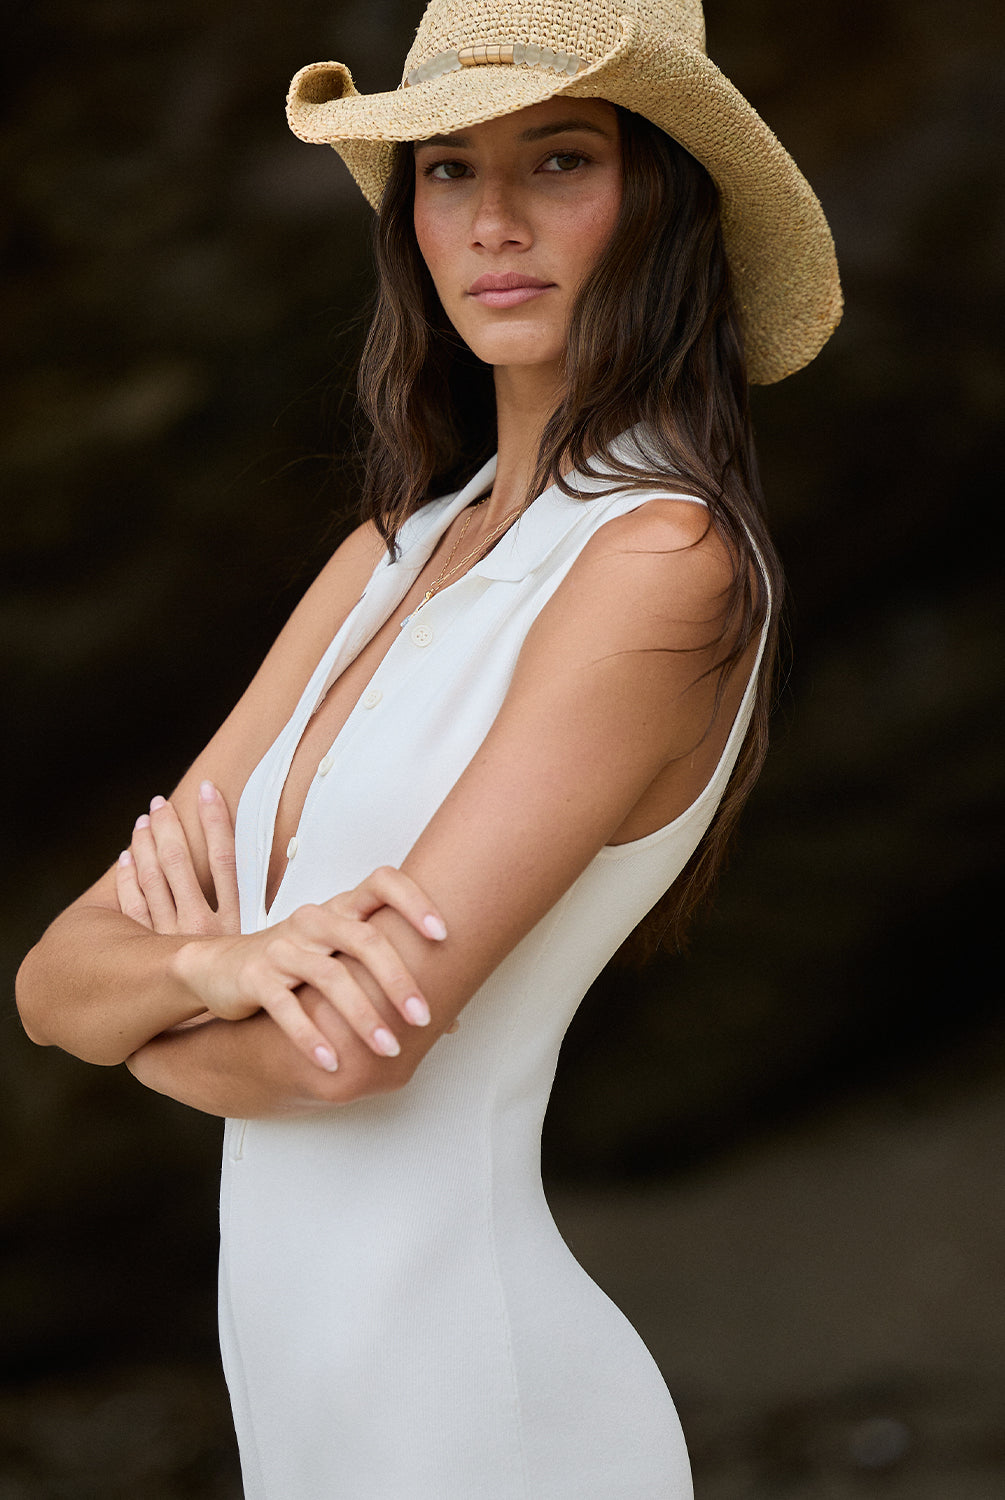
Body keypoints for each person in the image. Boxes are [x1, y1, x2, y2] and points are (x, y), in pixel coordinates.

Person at [16, 0, 840, 1494]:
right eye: (447, 170)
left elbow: (340, 1053)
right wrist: (209, 973)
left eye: (561, 159)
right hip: (307, 1406)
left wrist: (138, 1029)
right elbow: (46, 977)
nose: (493, 221)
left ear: (663, 202)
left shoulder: (662, 561)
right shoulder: (386, 555)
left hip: (477, 1408)